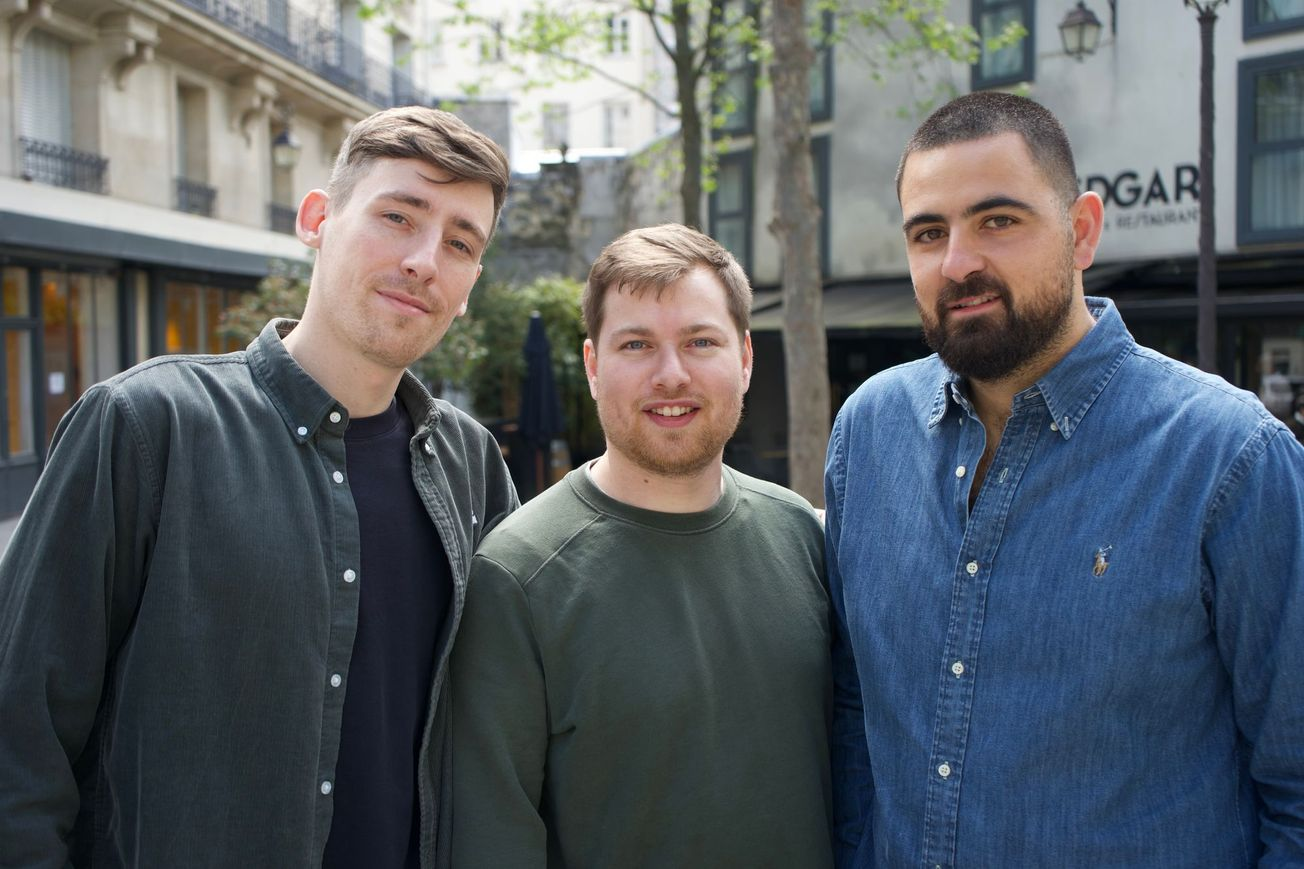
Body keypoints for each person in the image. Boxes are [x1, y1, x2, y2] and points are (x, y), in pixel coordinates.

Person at [0, 106, 518, 868]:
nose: (423, 260)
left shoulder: (469, 463)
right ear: (317, 219)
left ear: (471, 282)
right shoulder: (147, 427)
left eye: (460, 242)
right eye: (398, 216)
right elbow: (19, 733)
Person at [825, 91, 1304, 867]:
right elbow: (856, 718)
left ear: (1082, 231)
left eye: (998, 221)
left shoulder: (1230, 457)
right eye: (928, 232)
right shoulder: (867, 434)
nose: (958, 262)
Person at [450, 224, 833, 868]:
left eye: (699, 341)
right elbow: (495, 836)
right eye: (637, 345)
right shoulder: (518, 574)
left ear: (744, 358)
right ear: (594, 367)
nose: (671, 374)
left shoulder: (801, 534)